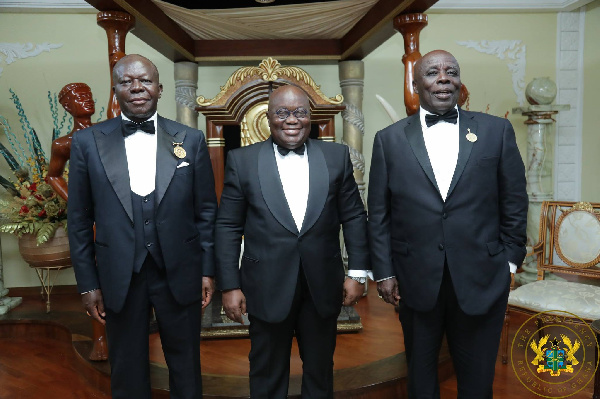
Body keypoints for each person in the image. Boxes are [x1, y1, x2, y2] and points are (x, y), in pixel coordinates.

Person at [368, 50, 528, 398]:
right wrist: (383, 272)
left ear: (459, 80)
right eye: (432, 73)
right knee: (421, 380)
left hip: (482, 277)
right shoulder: (389, 140)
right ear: (416, 84)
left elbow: (514, 200)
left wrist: (510, 260)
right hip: (415, 279)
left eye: (451, 71)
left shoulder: (495, 131)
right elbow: (379, 214)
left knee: (477, 381)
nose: (443, 78)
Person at [67, 54, 217, 399]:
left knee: (186, 364)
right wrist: (87, 283)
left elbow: (206, 212)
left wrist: (207, 271)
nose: (136, 88)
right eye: (126, 81)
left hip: (179, 270)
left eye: (145, 80)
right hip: (119, 274)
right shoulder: (88, 142)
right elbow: (78, 220)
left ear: (160, 89)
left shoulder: (190, 139)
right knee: (126, 366)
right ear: (116, 89)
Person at [215, 85, 370, 399]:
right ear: (267, 117)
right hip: (265, 285)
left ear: (309, 116)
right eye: (282, 112)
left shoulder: (336, 156)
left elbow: (354, 216)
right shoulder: (241, 161)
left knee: (319, 370)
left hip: (322, 284)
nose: (291, 120)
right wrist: (229, 286)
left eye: (299, 112)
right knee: (266, 371)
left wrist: (357, 273)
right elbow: (228, 226)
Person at [47, 82, 95, 200]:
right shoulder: (63, 144)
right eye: (81, 97)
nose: (88, 100)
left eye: (89, 96)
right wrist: (75, 202)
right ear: (68, 106)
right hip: (93, 202)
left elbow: (117, 113)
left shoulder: (106, 129)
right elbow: (53, 176)